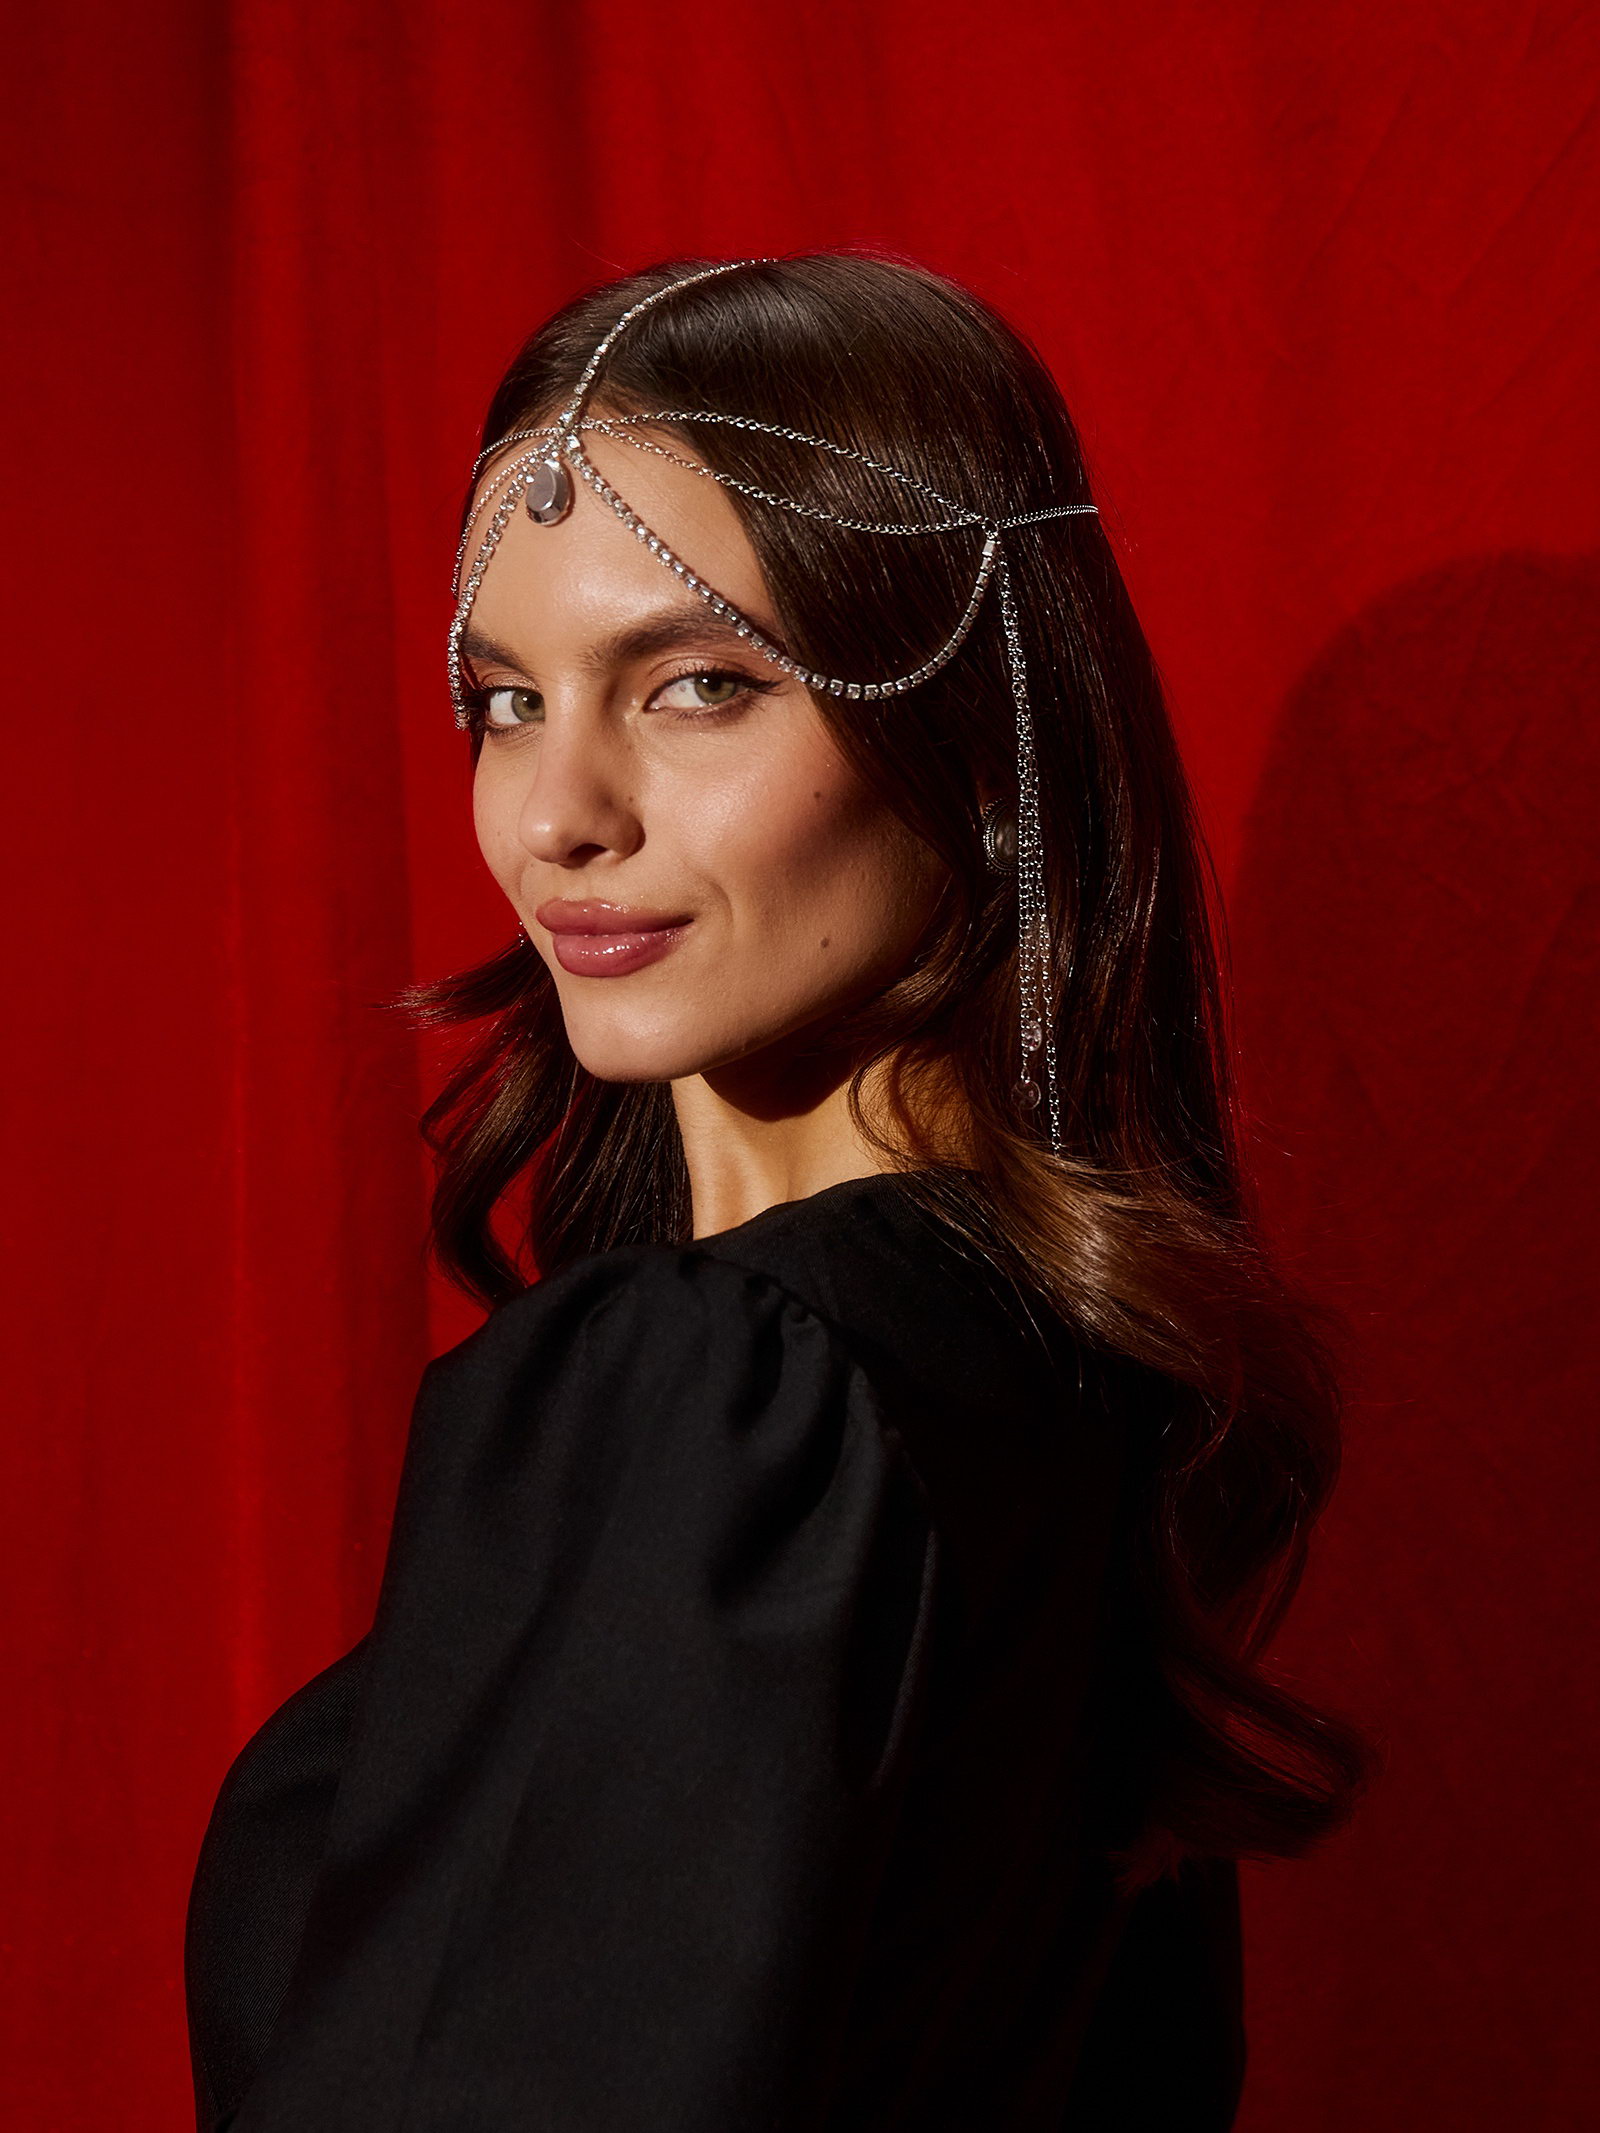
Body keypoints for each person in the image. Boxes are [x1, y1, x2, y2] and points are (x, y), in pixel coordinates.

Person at [183, 252, 1374, 2131]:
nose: (557, 812)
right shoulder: (1085, 1376)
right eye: (507, 699)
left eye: (697, 686)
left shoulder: (726, 1384)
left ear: (972, 730)